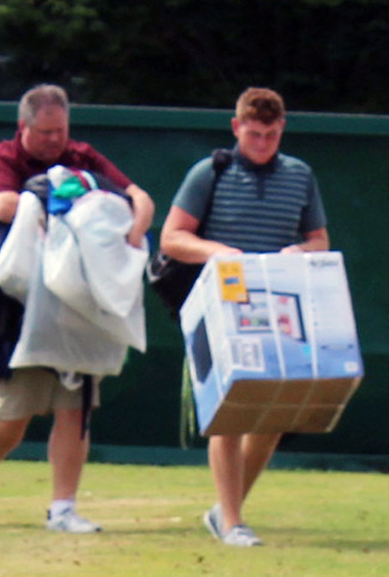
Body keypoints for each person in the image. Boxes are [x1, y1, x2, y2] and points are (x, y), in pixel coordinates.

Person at [0, 84, 154, 532]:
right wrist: (49, 198)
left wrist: (134, 229)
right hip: (19, 306)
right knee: (11, 412)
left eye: (60, 131)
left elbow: (138, 198)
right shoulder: (3, 158)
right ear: (23, 127)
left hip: (79, 304)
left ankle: (63, 508)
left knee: (76, 406)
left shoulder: (83, 156)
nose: (54, 141)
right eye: (45, 132)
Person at [160, 87, 329, 547]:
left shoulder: (300, 175)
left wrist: (300, 249)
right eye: (254, 134)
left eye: (272, 135)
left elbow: (320, 240)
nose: (263, 143)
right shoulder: (209, 173)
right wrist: (219, 252)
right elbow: (172, 238)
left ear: (283, 129)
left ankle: (226, 510)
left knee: (272, 416)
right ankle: (232, 522)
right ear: (237, 128)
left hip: (278, 307)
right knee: (231, 413)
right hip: (221, 307)